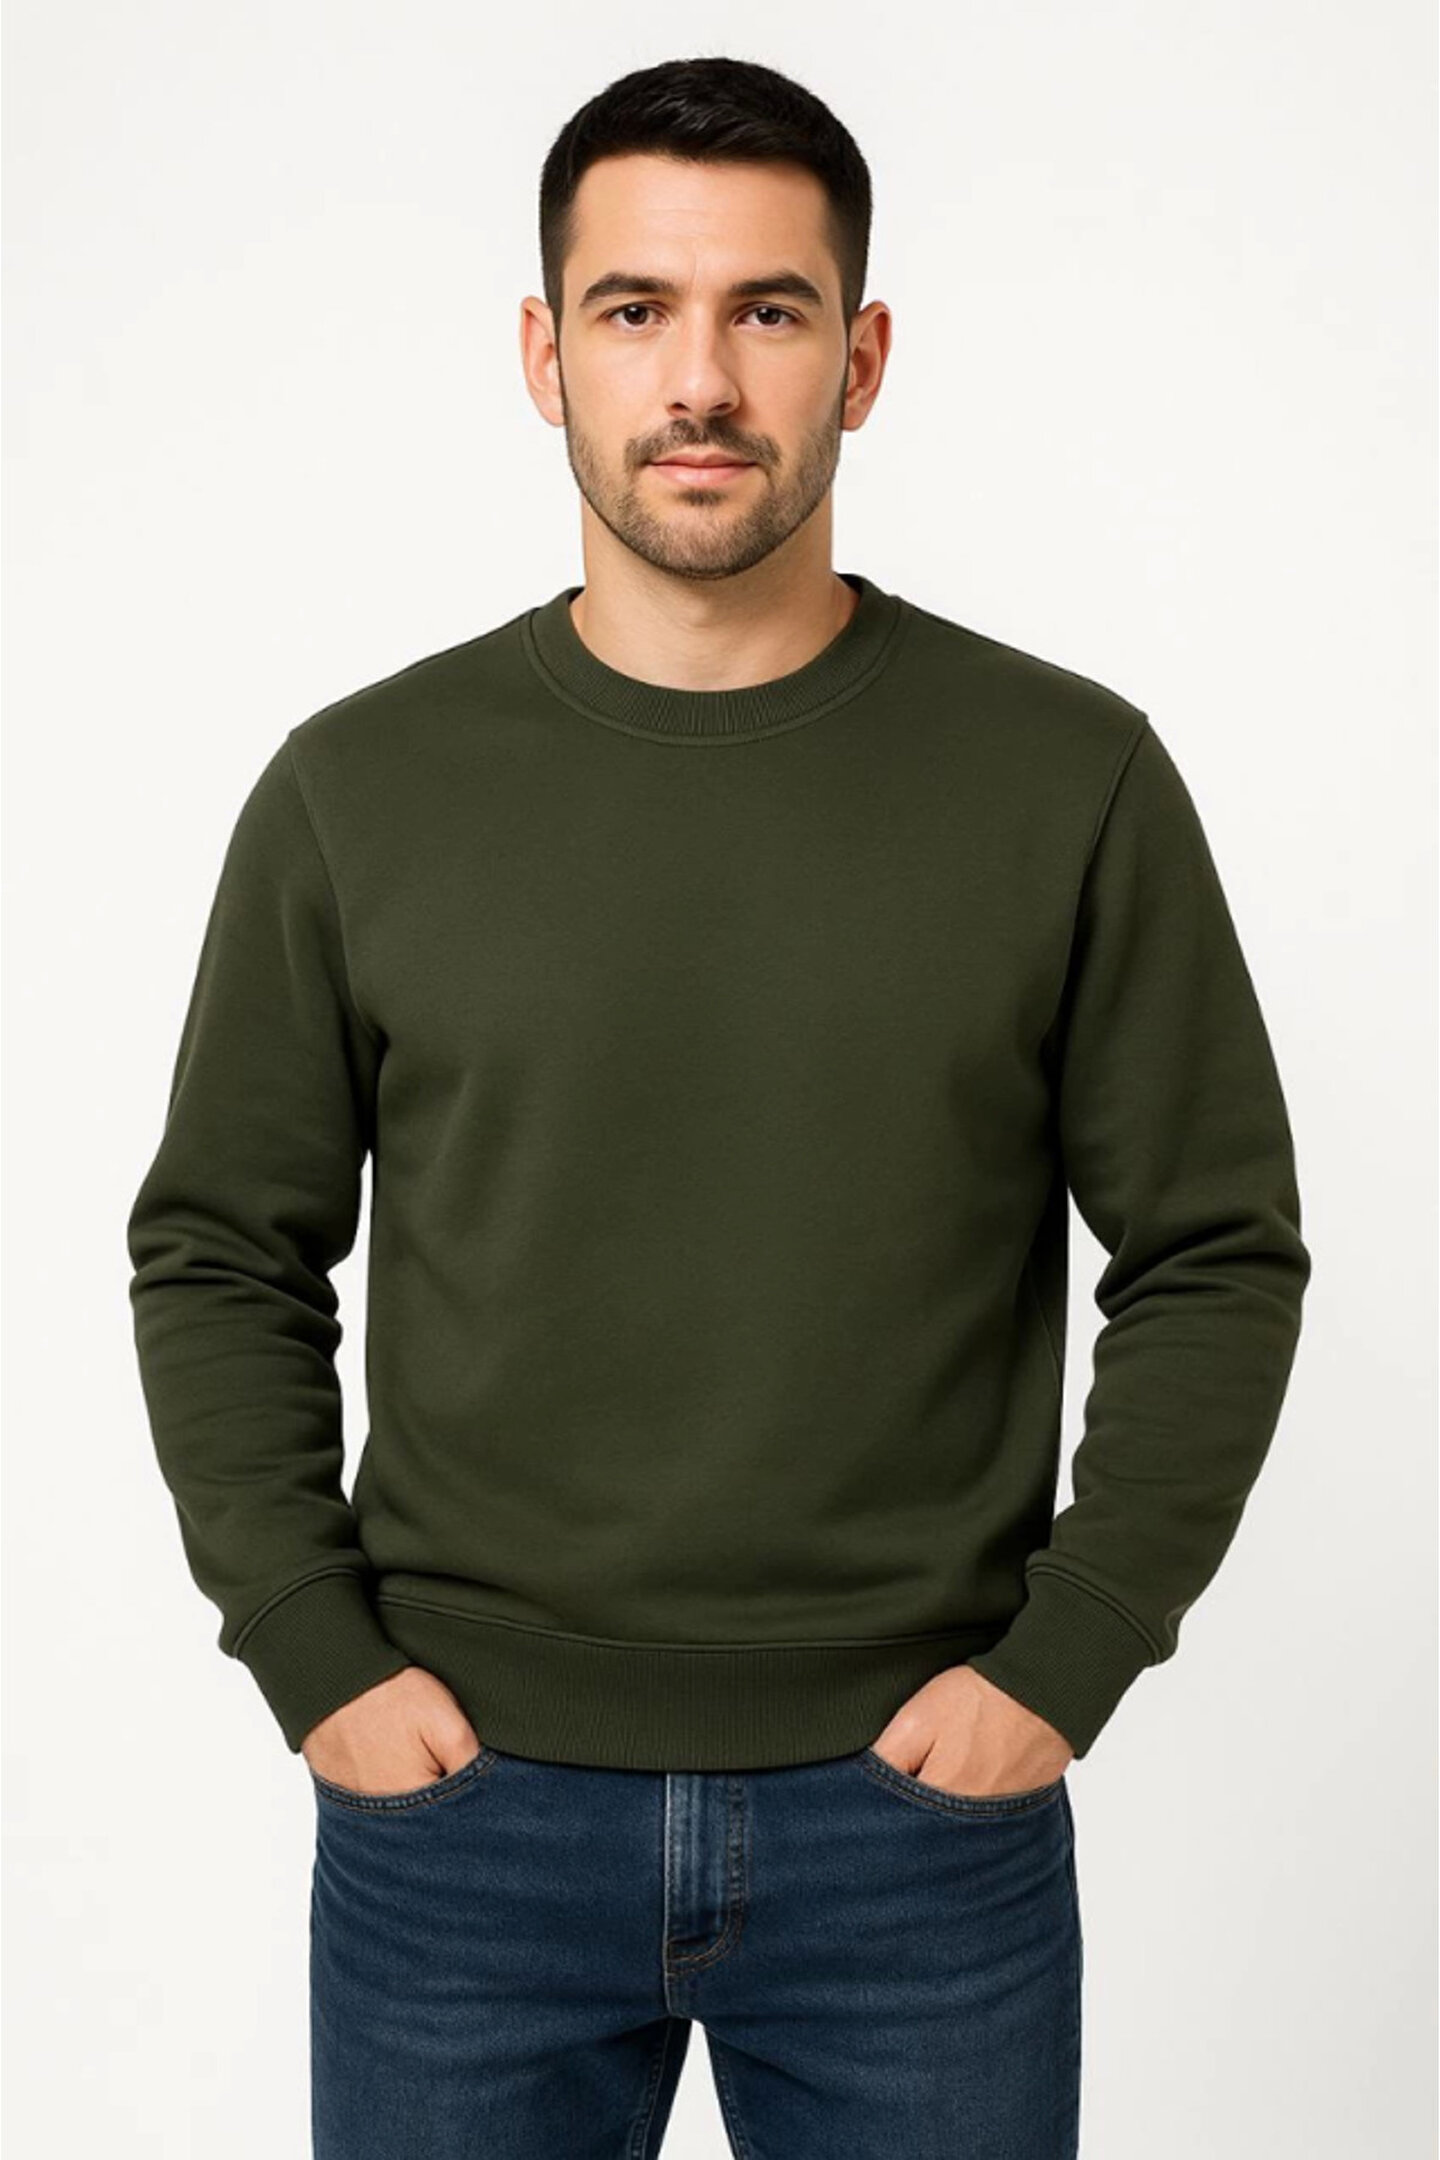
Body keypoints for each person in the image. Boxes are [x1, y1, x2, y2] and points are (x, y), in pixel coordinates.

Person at [124, 53, 1311, 2160]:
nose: (699, 379)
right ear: (543, 354)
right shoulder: (358, 791)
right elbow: (222, 1248)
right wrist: (313, 1652)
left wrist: (1072, 1654)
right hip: (465, 1824)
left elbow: (1215, 1249)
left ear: (863, 357)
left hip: (916, 1827)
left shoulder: (1069, 779)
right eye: (634, 309)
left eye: (767, 309)